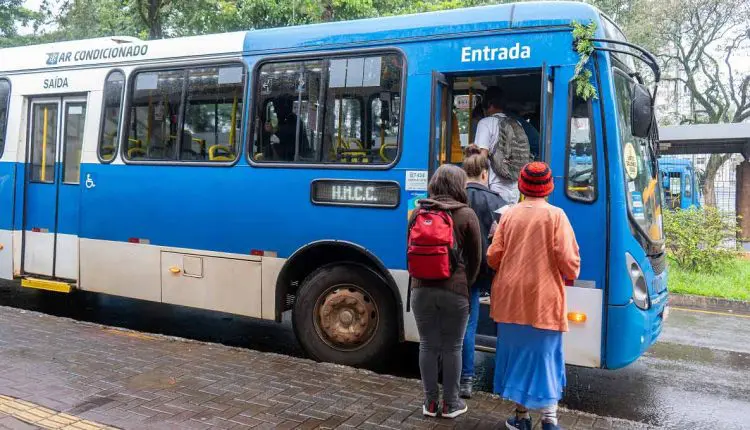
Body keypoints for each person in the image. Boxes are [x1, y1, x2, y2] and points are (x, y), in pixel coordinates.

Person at [486, 162, 581, 430]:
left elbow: (493, 257)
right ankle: (549, 420)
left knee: (517, 357)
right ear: (548, 188)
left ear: (521, 186)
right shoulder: (556, 216)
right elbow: (569, 262)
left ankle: (521, 417)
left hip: (510, 300)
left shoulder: (509, 215)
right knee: (545, 357)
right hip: (544, 300)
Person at [409, 164, 482, 419]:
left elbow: (410, 251)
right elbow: (476, 258)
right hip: (455, 291)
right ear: (459, 186)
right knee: (453, 347)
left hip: (421, 289)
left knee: (427, 345)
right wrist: (465, 283)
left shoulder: (417, 212)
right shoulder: (466, 214)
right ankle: (451, 404)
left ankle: (430, 403)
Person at [459, 145, 504, 399]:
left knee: (455, 326)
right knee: (471, 325)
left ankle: (457, 376)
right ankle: (468, 379)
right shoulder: (497, 202)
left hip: (453, 271)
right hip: (482, 274)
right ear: (485, 174)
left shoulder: (453, 197)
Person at [474, 87, 531, 205]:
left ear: (488, 104)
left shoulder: (485, 123)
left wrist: (476, 184)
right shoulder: (516, 123)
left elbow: (481, 156)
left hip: (494, 187)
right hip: (514, 187)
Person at [266, 95, 309, 161]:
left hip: (292, 157)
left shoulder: (293, 120)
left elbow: (284, 135)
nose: (275, 112)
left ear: (284, 108)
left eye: (277, 108)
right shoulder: (285, 120)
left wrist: (272, 130)